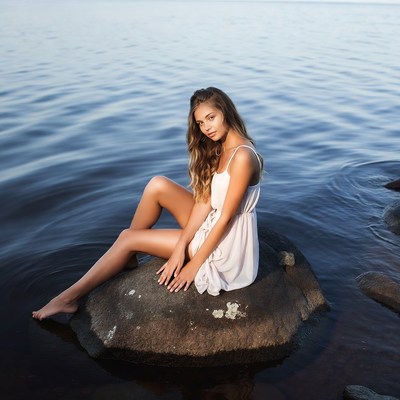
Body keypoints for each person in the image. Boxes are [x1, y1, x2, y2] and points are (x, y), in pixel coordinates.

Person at [32, 87, 263, 320]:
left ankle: (68, 298)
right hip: (212, 222)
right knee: (157, 185)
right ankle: (128, 256)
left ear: (226, 111)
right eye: (201, 123)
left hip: (226, 247)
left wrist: (193, 265)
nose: (206, 128)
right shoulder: (222, 146)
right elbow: (205, 201)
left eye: (211, 118)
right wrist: (180, 246)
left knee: (127, 238)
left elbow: (225, 218)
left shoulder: (242, 156)